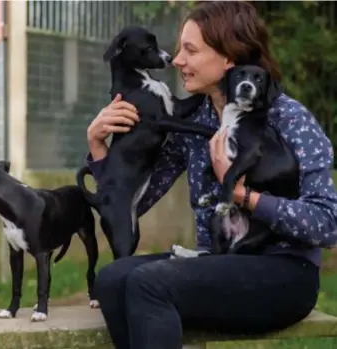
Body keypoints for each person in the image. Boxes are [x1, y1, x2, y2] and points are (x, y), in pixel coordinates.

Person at [83, 2, 337, 349]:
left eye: (190, 50)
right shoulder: (194, 121)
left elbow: (326, 223)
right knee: (111, 280)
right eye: (178, 49)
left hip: (284, 271)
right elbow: (131, 206)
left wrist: (244, 197)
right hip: (216, 262)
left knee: (149, 284)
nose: (176, 60)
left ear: (229, 58)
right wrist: (99, 147)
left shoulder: (287, 118)